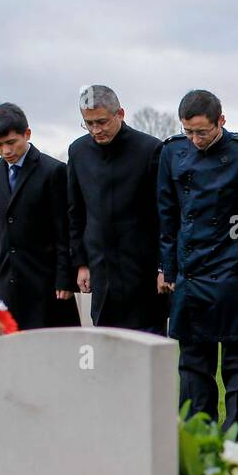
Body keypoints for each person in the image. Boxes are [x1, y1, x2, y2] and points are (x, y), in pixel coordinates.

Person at [158, 89, 238, 435]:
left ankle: (236, 431)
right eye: (188, 132)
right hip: (190, 271)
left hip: (234, 269)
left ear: (221, 121)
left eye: (201, 131)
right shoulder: (172, 152)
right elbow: (167, 213)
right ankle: (198, 431)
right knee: (192, 363)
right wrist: (167, 268)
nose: (195, 139)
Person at [67, 85, 167, 331]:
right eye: (88, 124)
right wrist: (81, 263)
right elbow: (76, 211)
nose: (95, 130)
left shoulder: (150, 149)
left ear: (120, 113)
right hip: (101, 272)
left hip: (143, 273)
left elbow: (164, 213)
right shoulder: (78, 151)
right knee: (107, 356)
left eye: (101, 122)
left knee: (147, 355)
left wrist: (164, 267)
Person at [0, 102, 79, 329]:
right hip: (5, 282)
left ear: (27, 134)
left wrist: (65, 278)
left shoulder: (53, 171)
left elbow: (63, 230)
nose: (6, 151)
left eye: (12, 142)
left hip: (45, 281)